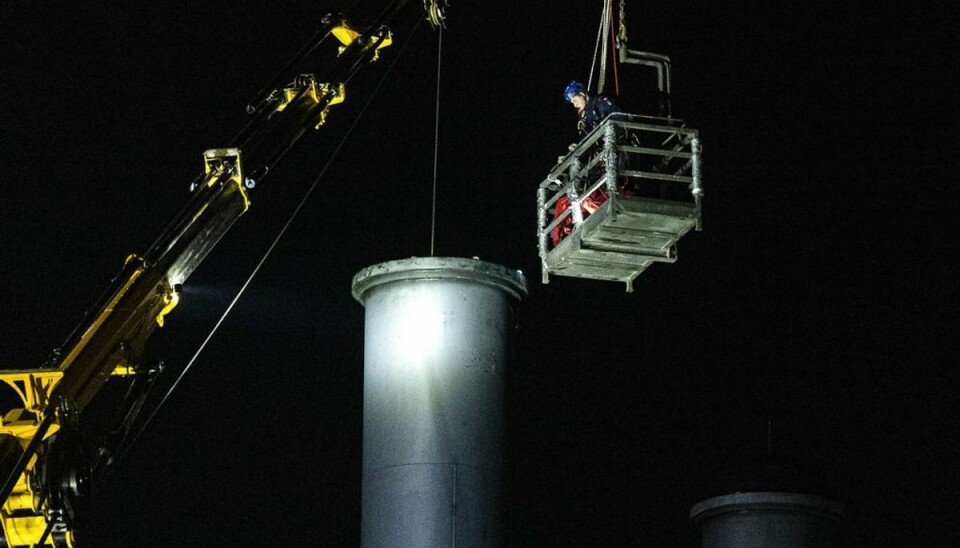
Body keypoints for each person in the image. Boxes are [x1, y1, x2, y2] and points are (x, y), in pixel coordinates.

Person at [551, 81, 624, 247]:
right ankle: (576, 209)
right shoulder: (584, 118)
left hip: (613, 153)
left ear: (583, 94)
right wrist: (575, 149)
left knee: (599, 183)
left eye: (575, 99)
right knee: (577, 170)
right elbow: (586, 141)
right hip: (598, 160)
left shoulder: (601, 103)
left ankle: (587, 205)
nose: (574, 103)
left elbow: (619, 123)